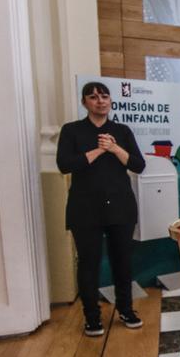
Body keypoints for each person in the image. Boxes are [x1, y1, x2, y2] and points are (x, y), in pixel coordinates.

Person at [56, 82, 146, 336]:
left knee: (123, 261)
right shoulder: (72, 131)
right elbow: (65, 165)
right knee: (89, 263)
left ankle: (126, 309)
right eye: (93, 97)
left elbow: (139, 165)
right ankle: (92, 317)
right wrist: (98, 150)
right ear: (85, 102)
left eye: (105, 96)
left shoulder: (122, 131)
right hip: (85, 209)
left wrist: (115, 148)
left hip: (120, 206)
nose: (100, 101)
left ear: (110, 101)